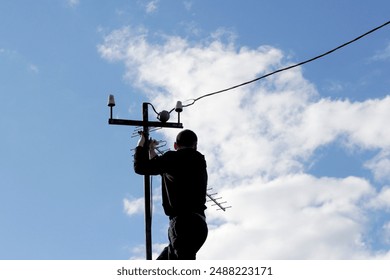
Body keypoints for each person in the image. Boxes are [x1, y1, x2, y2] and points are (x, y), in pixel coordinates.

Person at [134, 129, 208, 260]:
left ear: (175, 145)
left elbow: (141, 167)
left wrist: (141, 143)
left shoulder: (172, 158)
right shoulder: (199, 161)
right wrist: (152, 150)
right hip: (199, 226)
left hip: (182, 225)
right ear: (195, 146)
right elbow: (162, 167)